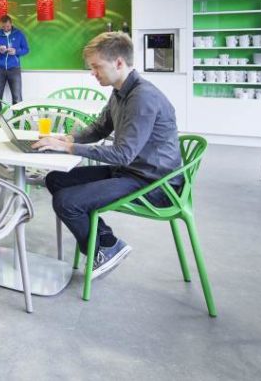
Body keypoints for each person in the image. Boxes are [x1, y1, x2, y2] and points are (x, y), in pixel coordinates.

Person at [33, 32, 182, 280]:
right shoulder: (119, 91)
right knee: (55, 179)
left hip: (155, 184)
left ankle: (102, 248)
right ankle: (106, 241)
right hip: (132, 171)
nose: (93, 73)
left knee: (67, 202)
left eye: (96, 66)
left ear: (119, 63)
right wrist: (68, 139)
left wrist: (68, 149)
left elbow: (123, 154)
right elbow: (100, 128)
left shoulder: (143, 97)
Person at [0, 14, 29, 110]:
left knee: (17, 97)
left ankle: (18, 119)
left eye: (7, 26)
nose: (5, 29)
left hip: (14, 68)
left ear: (11, 23)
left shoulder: (19, 34)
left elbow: (26, 49)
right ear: (0, 25)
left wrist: (16, 52)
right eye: (3, 27)